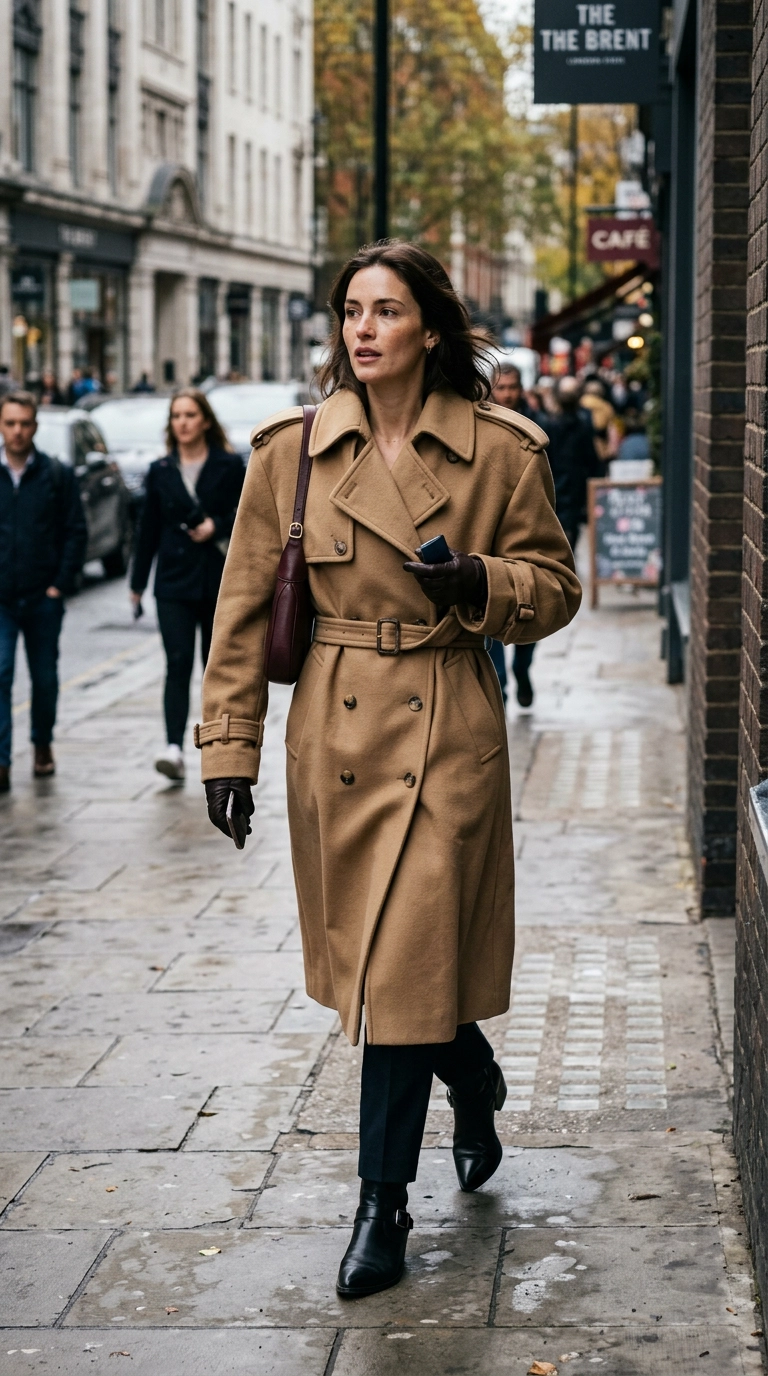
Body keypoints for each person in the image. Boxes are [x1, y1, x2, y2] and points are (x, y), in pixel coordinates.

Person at [196, 241, 581, 1297]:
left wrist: (480, 581)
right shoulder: (294, 449)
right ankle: (476, 1073)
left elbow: (556, 585)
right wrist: (227, 741)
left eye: (387, 310)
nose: (364, 329)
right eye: (351, 311)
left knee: (404, 963)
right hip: (336, 727)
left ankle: (382, 1205)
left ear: (431, 327)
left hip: (446, 726)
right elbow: (237, 611)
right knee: (394, 975)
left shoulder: (502, 451)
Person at [130, 388, 245, 782]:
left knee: (216, 668)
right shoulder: (161, 469)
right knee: (177, 663)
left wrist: (218, 524)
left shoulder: (229, 465)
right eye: (176, 415)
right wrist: (137, 583)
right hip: (173, 584)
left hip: (217, 580)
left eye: (190, 415)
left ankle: (219, 749)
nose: (182, 422)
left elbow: (253, 517)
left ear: (205, 421)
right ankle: (173, 747)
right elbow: (146, 530)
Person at [0, 391, 87, 792]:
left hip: (42, 596)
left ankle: (41, 745)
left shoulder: (56, 474)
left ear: (34, 427)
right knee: (0, 674)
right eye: (10, 423)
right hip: (2, 599)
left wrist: (60, 584)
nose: (17, 431)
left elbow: (75, 531)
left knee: (45, 678)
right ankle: (1, 760)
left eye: (24, 423)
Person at [490, 363, 539, 707]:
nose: (507, 394)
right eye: (501, 387)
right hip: (490, 538)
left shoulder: (537, 428)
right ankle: (500, 689)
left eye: (512, 387)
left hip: (529, 533)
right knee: (492, 613)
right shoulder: (483, 428)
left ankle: (522, 668)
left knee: (529, 609)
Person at [536, 375, 600, 552]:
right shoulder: (582, 424)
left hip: (560, 487)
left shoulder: (550, 425)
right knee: (568, 535)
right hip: (572, 488)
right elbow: (593, 461)